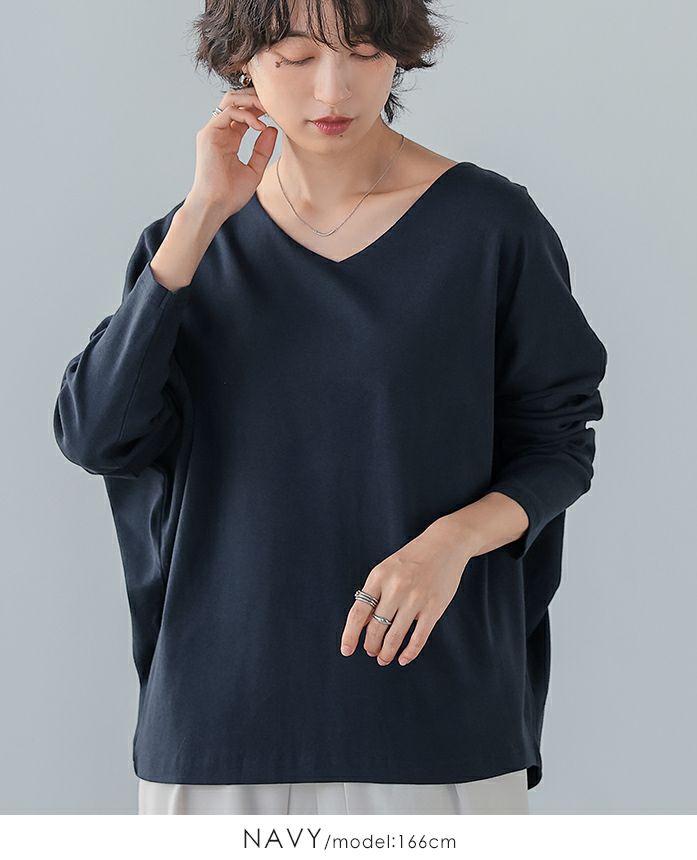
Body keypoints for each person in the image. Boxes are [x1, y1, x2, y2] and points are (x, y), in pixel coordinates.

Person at [53, 0, 607, 815]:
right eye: (295, 56)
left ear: (400, 56)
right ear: (241, 62)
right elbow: (97, 435)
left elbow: (558, 443)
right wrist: (202, 213)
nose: (333, 89)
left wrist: (451, 543)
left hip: (436, 711)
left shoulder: (491, 228)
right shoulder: (188, 245)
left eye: (365, 51)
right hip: (220, 721)